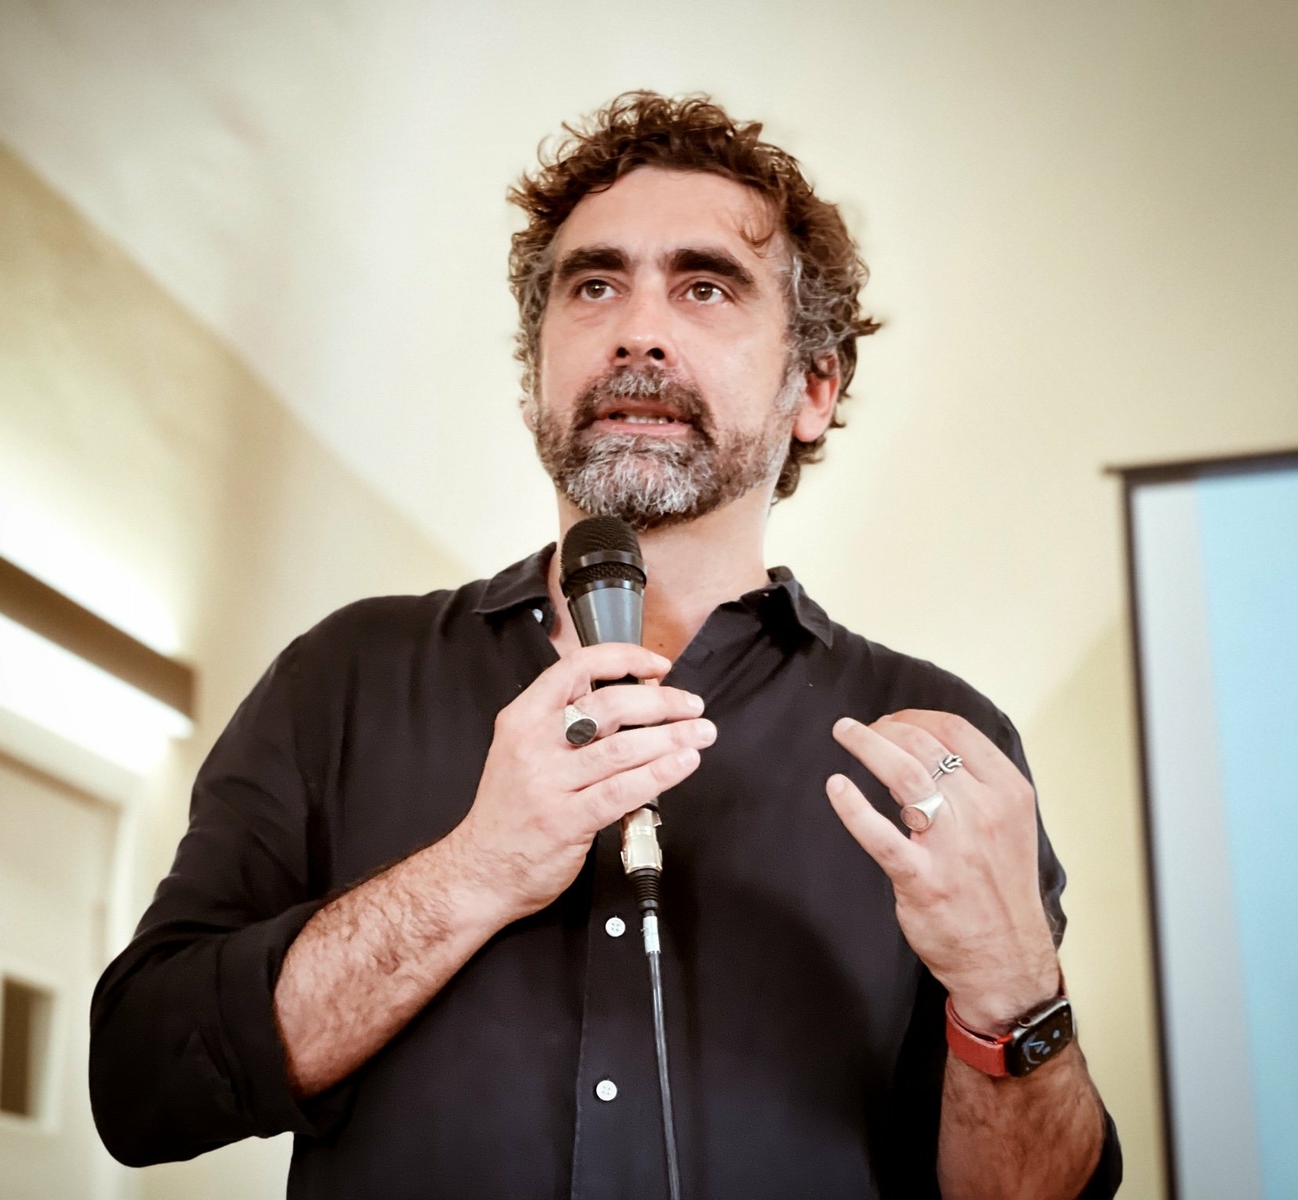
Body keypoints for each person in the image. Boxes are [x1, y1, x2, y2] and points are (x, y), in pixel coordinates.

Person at [90, 92, 1121, 1199]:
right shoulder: (344, 677)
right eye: (594, 285)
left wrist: (1014, 990)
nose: (638, 330)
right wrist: (475, 871)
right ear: (537, 366)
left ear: (813, 388)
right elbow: (145, 1085)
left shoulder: (940, 752)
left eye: (705, 286)